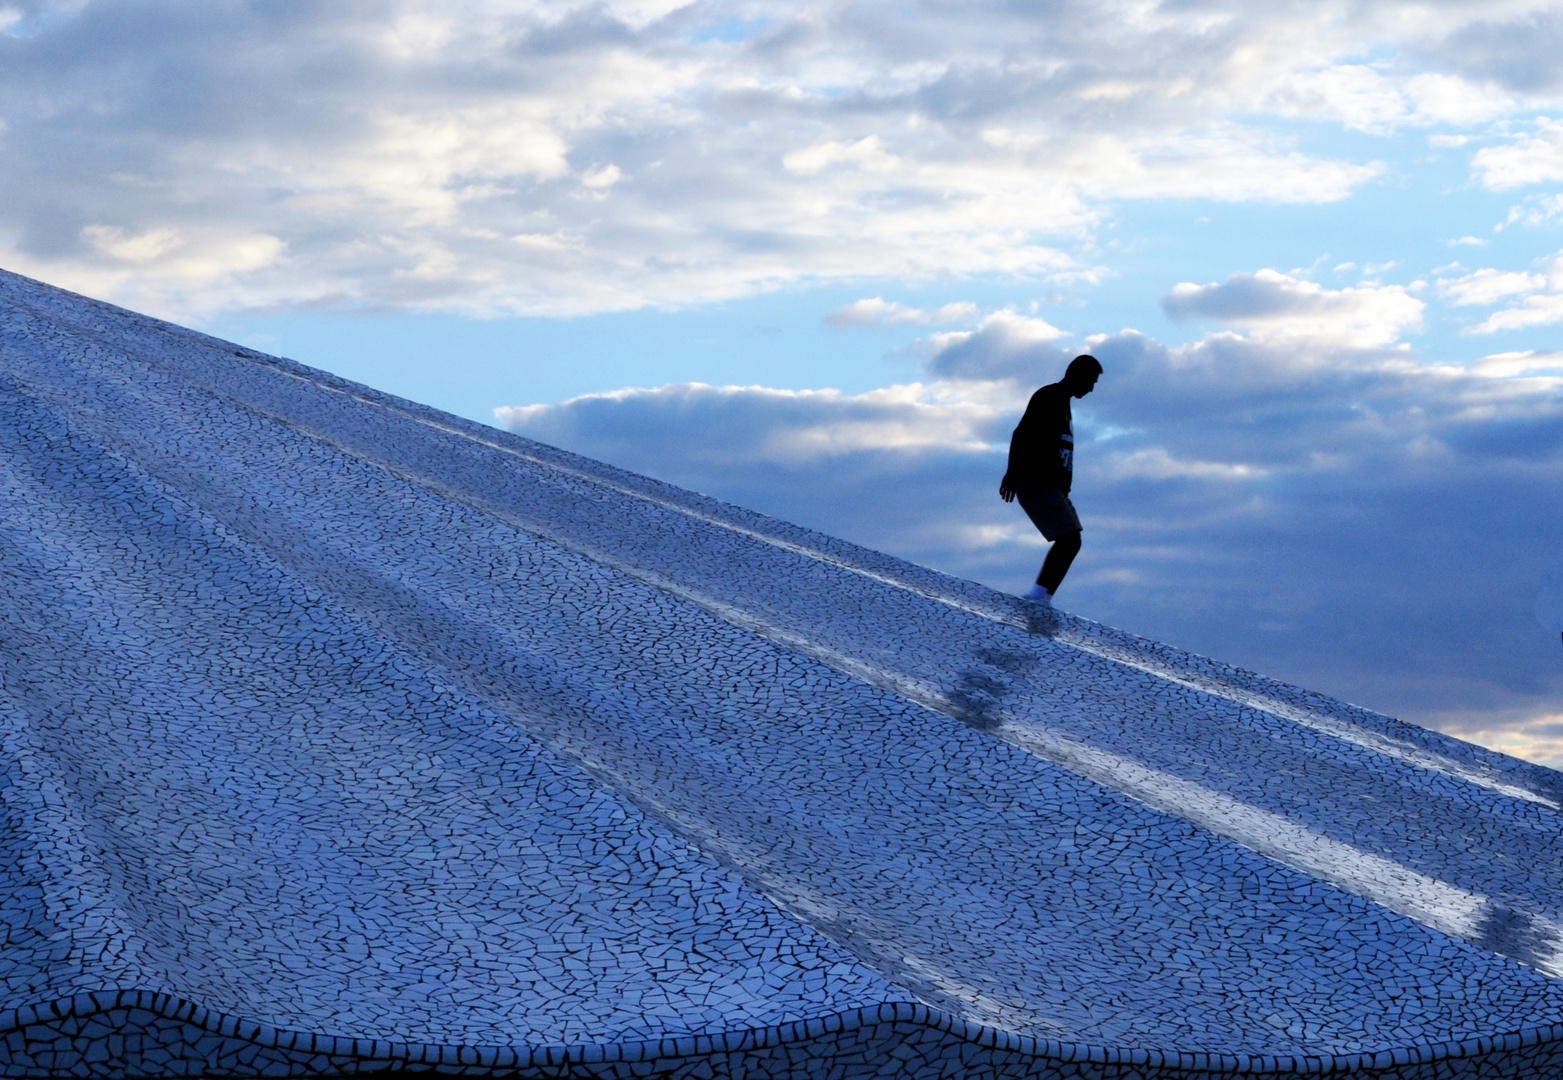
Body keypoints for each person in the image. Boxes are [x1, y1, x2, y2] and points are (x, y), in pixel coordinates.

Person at [999, 354, 1102, 607]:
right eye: (1090, 382)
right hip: (1037, 481)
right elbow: (1020, 433)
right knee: (1069, 539)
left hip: (1052, 486)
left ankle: (1042, 596)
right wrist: (1012, 473)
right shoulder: (1050, 396)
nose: (1091, 389)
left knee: (1073, 539)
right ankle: (1037, 597)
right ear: (1077, 375)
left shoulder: (1063, 403)